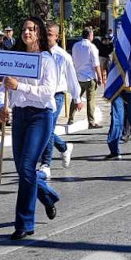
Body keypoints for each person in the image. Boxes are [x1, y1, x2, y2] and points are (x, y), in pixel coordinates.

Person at [4, 17, 60, 241]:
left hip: (40, 116)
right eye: (24, 28)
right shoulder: (17, 58)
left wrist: (21, 87)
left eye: (31, 29)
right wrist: (3, 104)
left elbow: (48, 91)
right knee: (22, 170)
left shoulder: (47, 59)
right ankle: (47, 195)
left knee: (27, 167)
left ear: (39, 33)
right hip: (20, 115)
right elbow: (8, 83)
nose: (26, 32)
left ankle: (24, 223)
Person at [41, 22, 82, 175]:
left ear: (57, 36)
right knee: (45, 129)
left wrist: (77, 98)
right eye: (45, 34)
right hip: (41, 95)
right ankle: (64, 147)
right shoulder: (39, 53)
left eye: (50, 34)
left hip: (57, 95)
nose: (47, 37)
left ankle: (45, 164)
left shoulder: (63, 56)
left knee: (48, 129)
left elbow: (72, 78)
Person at [69, 27, 103, 128]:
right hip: (89, 77)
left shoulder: (75, 46)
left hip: (78, 76)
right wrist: (100, 78)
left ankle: (70, 118)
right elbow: (96, 64)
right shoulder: (91, 47)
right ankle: (91, 122)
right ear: (90, 35)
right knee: (90, 100)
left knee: (76, 97)